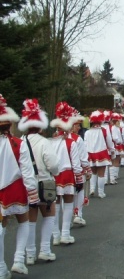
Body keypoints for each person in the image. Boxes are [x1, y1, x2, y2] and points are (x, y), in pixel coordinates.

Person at [0, 95, 39, 276]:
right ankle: (18, 260)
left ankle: (1, 267)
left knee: (1, 227)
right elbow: (27, 172)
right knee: (23, 221)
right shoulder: (18, 143)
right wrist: (33, 194)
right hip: (15, 188)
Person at [18, 99, 60, 265]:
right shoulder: (44, 142)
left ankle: (29, 254)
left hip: (26, 186)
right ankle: (45, 250)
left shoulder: (20, 141)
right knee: (49, 215)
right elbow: (54, 165)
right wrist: (53, 172)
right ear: (40, 125)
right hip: (45, 184)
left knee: (30, 219)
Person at [49, 102, 83, 246]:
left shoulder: (49, 142)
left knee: (56, 205)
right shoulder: (71, 143)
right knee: (68, 204)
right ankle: (65, 234)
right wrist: (80, 180)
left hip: (54, 175)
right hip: (68, 175)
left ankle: (56, 235)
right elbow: (76, 165)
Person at [69, 108, 91, 226]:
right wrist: (88, 169)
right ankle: (78, 214)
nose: (79, 128)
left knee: (67, 196)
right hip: (77, 170)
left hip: (65, 173)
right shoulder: (77, 139)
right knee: (80, 191)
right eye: (76, 125)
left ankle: (69, 218)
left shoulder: (58, 138)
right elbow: (83, 158)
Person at [86, 110, 114, 198]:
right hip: (101, 153)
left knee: (93, 173)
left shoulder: (87, 132)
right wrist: (112, 150)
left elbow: (85, 144)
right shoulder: (104, 130)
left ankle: (92, 189)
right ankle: (101, 193)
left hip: (90, 154)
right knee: (101, 174)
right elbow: (109, 142)